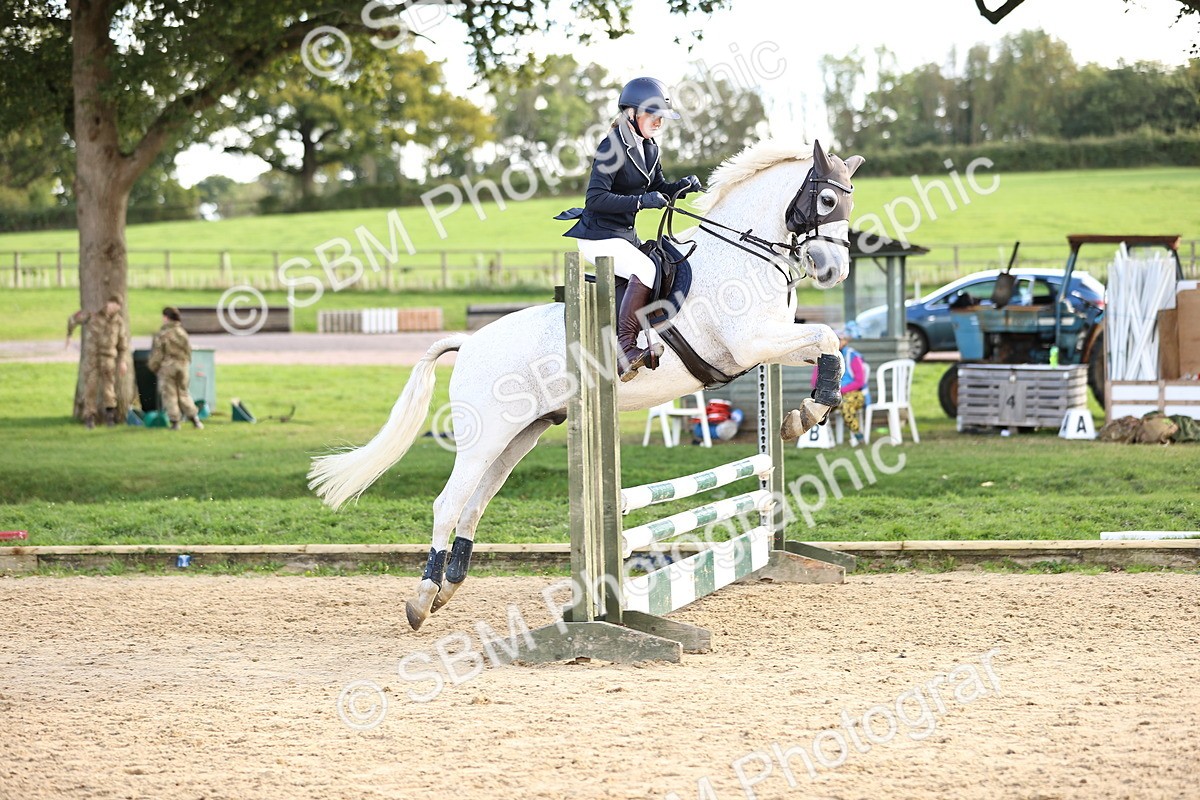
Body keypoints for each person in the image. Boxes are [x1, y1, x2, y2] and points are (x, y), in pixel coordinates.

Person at [558, 76, 703, 381]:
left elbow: (658, 187)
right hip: (597, 236)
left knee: (660, 265)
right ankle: (625, 349)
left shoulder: (650, 148)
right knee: (647, 270)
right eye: (653, 116)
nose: (658, 123)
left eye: (661, 117)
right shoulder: (611, 146)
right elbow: (595, 198)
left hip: (623, 236)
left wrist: (682, 186)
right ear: (631, 114)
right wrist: (640, 202)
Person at [67, 295, 129, 429]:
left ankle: (110, 418)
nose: (115, 308)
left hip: (108, 359)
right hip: (92, 360)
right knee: (90, 389)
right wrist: (69, 334)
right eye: (113, 304)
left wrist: (123, 361)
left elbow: (123, 345)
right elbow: (73, 319)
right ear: (108, 303)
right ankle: (89, 418)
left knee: (109, 390)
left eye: (118, 306)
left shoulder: (119, 322)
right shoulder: (92, 316)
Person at [812, 323, 871, 443]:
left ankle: (858, 435)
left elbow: (859, 381)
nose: (837, 342)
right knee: (818, 408)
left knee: (846, 406)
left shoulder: (853, 356)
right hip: (832, 394)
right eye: (834, 339)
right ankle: (819, 440)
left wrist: (840, 390)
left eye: (839, 339)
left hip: (854, 393)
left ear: (845, 341)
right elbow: (814, 380)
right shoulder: (824, 357)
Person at [148, 306, 203, 431]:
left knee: (170, 394)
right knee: (183, 393)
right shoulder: (182, 332)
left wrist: (153, 367)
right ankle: (195, 419)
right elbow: (188, 350)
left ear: (166, 318)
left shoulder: (163, 334)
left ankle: (175, 422)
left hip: (168, 367)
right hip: (183, 366)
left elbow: (157, 354)